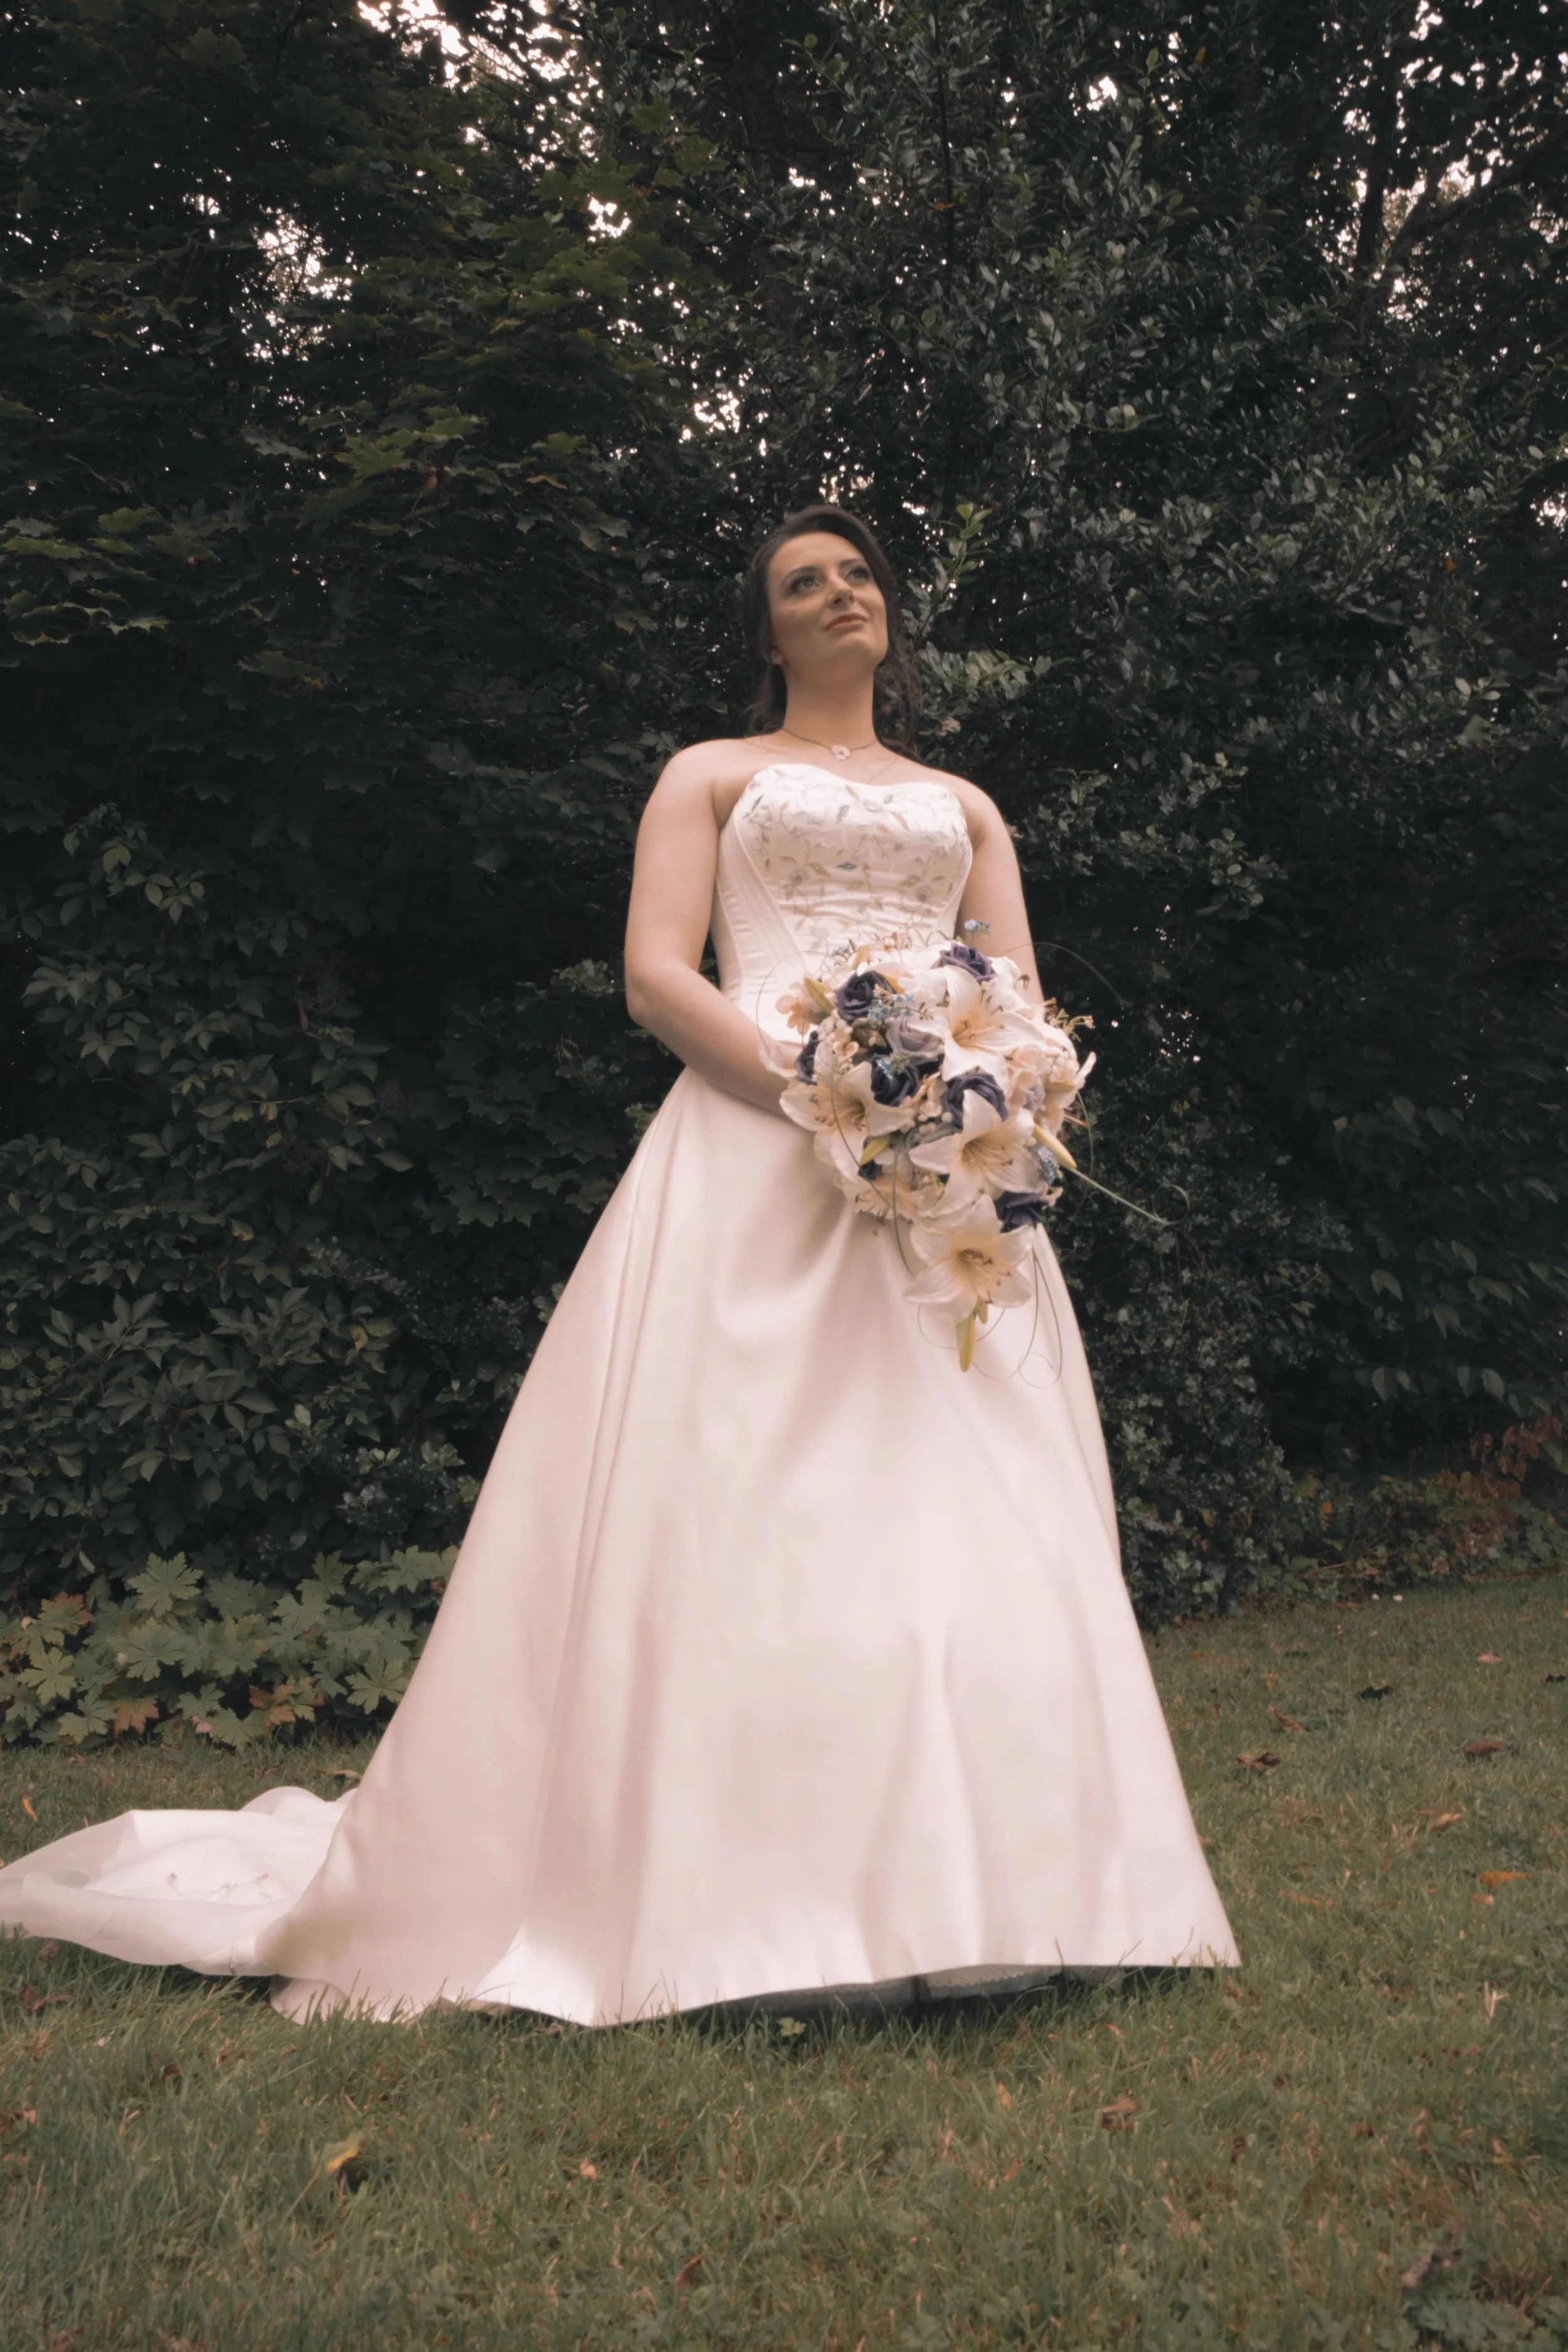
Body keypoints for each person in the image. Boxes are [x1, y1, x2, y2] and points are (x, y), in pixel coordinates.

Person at [0, 506, 1237, 2023]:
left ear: (886, 614)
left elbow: (1022, 1002)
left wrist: (970, 1113)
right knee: (741, 1512)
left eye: (856, 575)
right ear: (765, 632)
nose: (838, 593)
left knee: (970, 1515)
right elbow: (656, 974)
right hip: (751, 1153)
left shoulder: (967, 804)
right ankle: (724, 1898)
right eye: (803, 583)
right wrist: (820, 1091)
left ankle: (1009, 1888)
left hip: (945, 1197)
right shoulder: (709, 777)